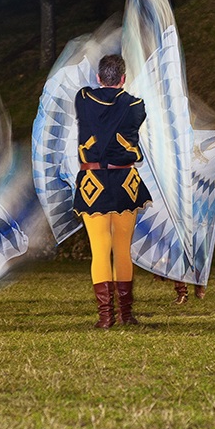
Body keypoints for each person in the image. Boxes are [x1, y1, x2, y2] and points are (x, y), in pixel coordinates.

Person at [74, 54, 152, 328]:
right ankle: (126, 314)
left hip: (92, 181)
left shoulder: (83, 98)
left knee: (100, 250)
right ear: (123, 79)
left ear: (98, 78)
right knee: (122, 249)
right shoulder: (136, 105)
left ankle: (106, 317)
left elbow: (95, 96)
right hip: (125, 182)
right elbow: (124, 108)